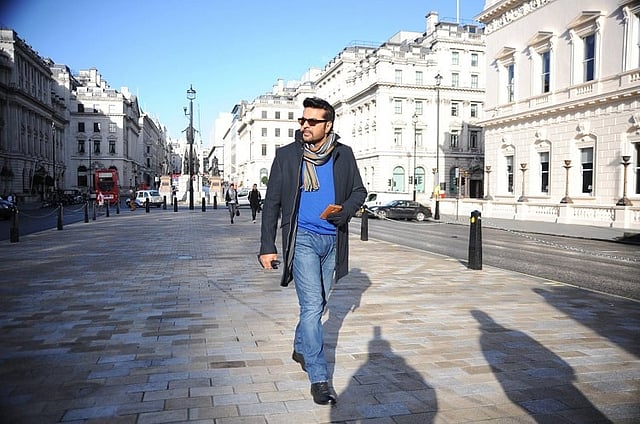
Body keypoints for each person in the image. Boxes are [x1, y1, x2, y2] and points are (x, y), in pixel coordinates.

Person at [259, 97, 367, 405]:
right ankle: (319, 378)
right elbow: (272, 204)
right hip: (303, 238)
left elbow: (359, 191)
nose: (305, 125)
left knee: (318, 304)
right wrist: (267, 246)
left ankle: (299, 346)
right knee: (311, 306)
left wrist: (345, 210)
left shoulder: (343, 154)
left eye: (312, 121)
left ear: (327, 125)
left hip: (332, 240)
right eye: (302, 120)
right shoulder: (287, 156)